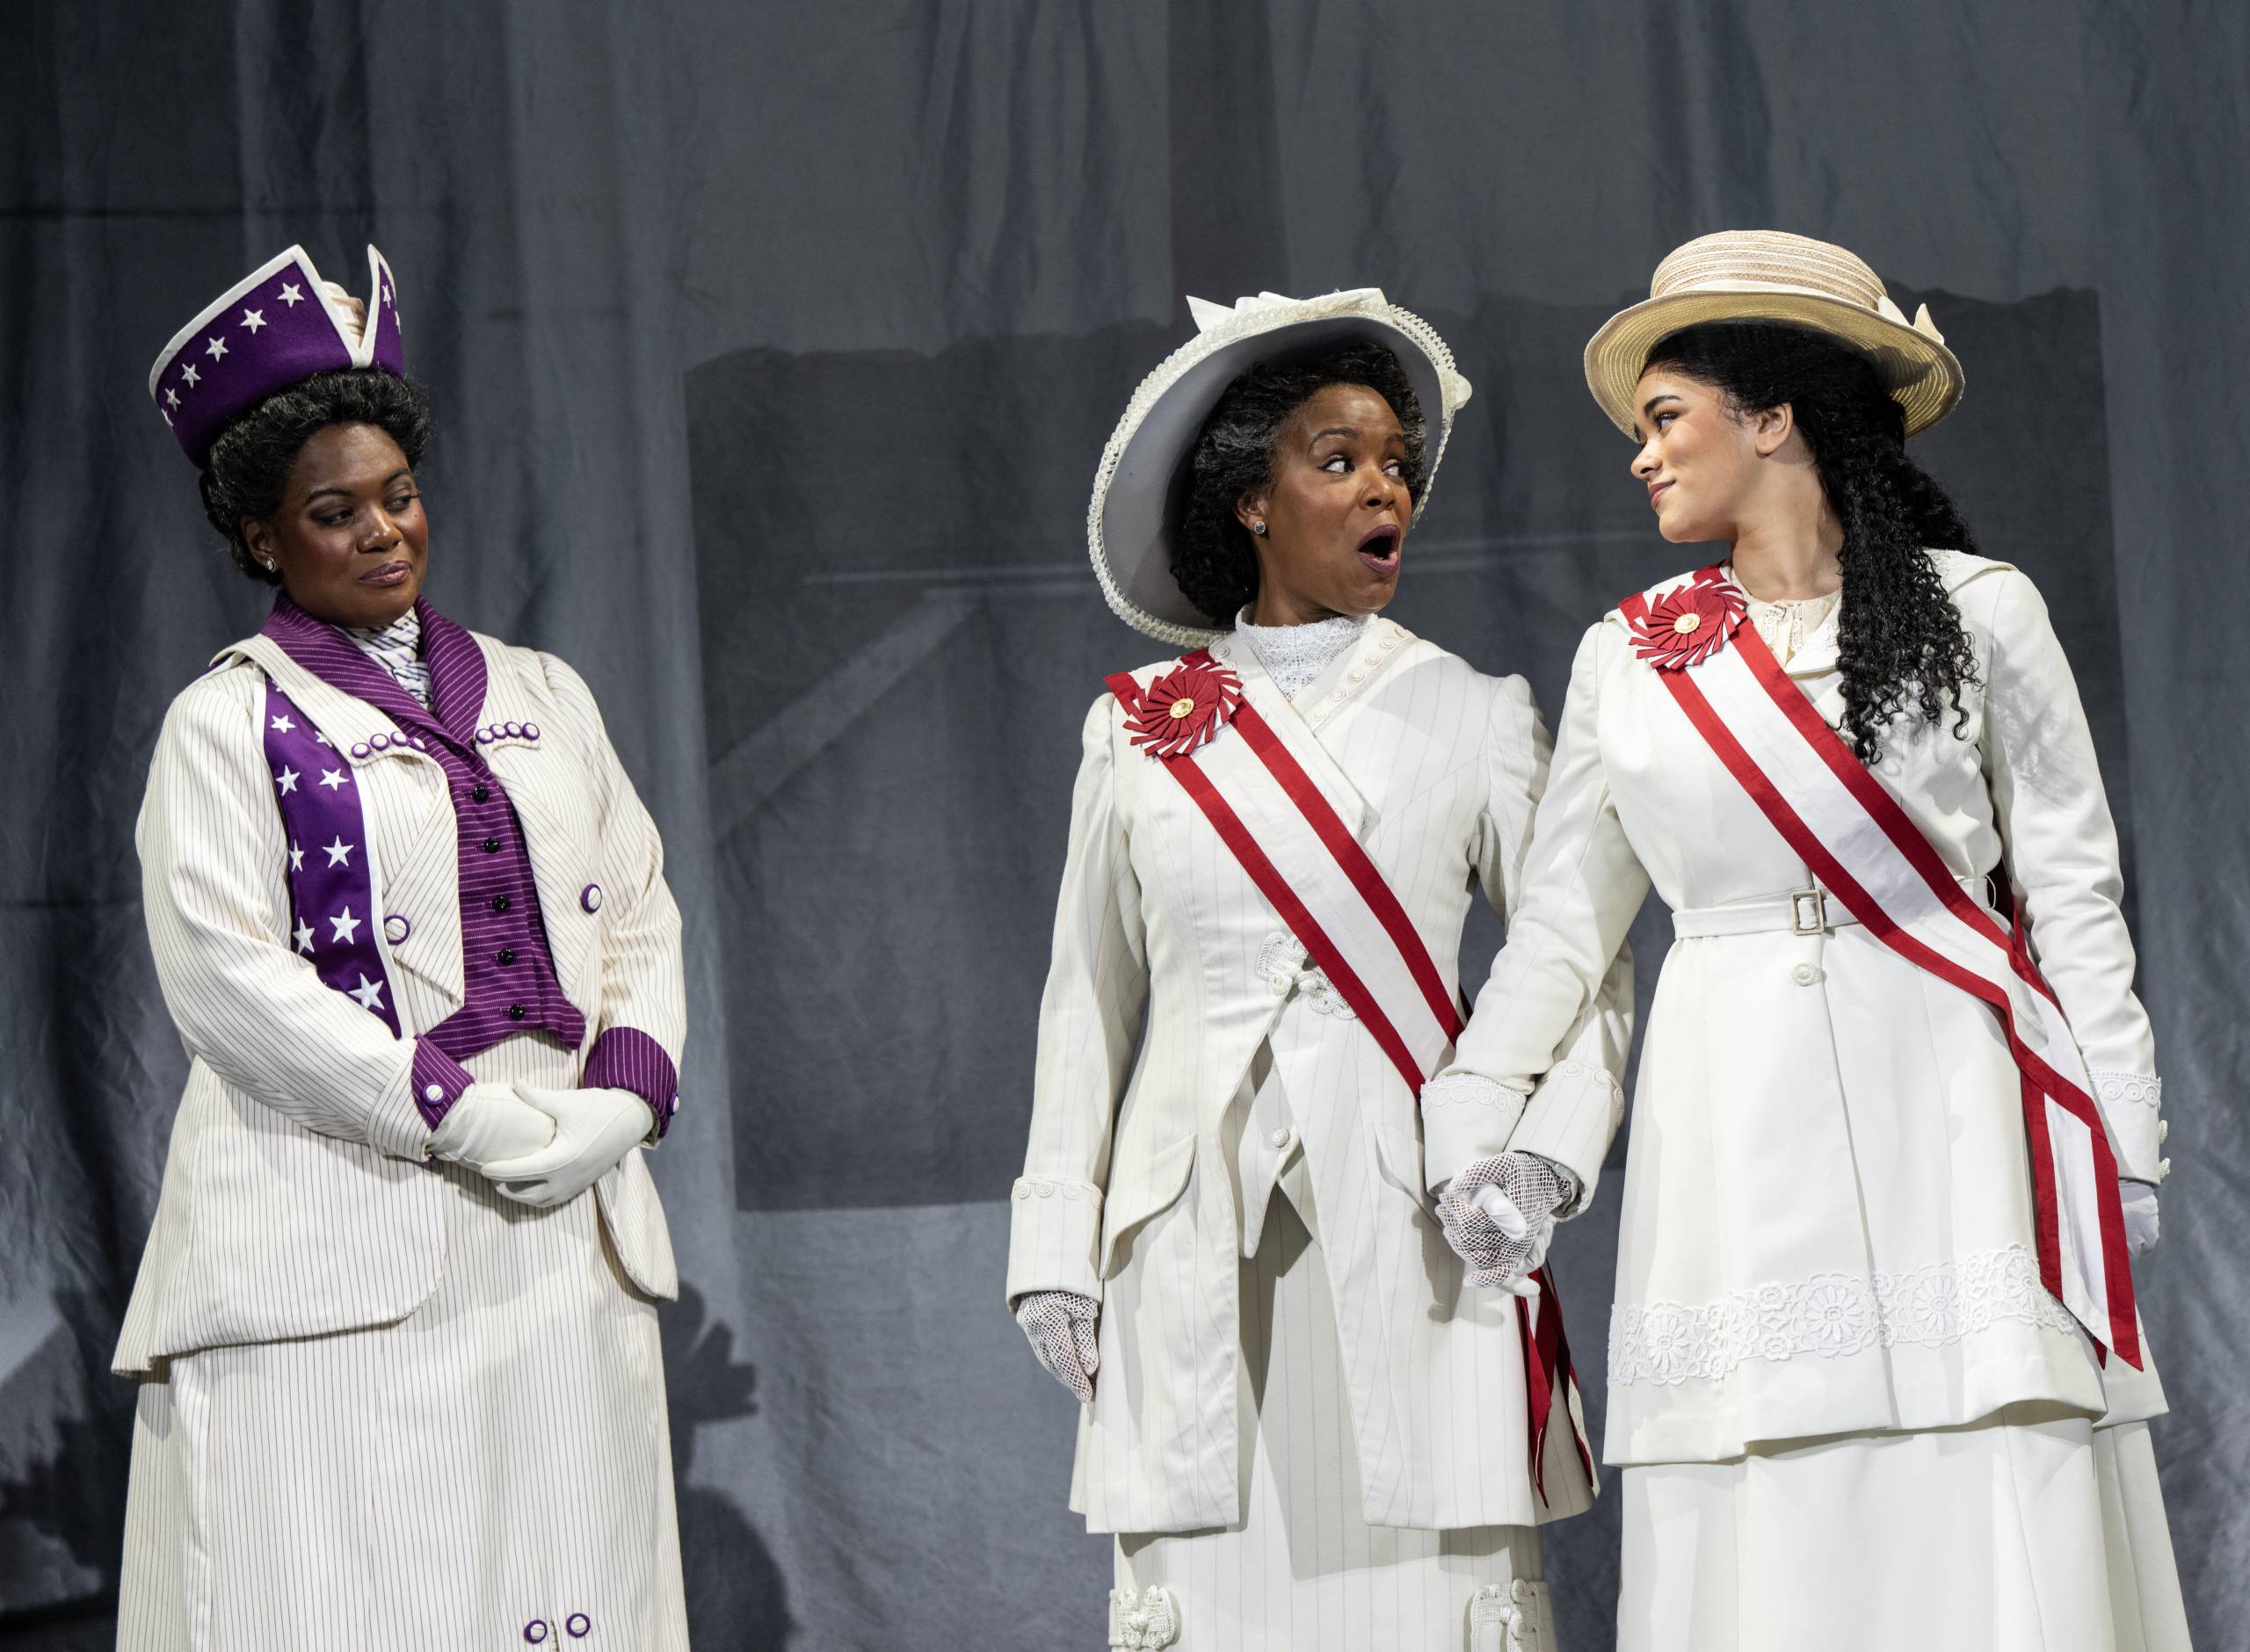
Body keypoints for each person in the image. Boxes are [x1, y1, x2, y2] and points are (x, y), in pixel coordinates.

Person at [1423, 230, 2189, 1652]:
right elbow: (1557, 939)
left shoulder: (1982, 611)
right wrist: (1470, 1124)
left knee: (1988, 1456)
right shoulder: (1628, 654)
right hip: (1733, 1119)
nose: (1642, 457)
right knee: (1766, 1491)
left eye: (1668, 420)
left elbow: (2076, 899)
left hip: (1961, 1105)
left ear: (1772, 418)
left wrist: (2122, 1144)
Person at [1007, 288, 1631, 1651]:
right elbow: (1086, 1006)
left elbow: (1578, 973)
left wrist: (1538, 1161)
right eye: (1337, 458)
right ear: (1249, 500)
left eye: (1396, 462)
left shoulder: (1477, 716)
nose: (1380, 486)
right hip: (1186, 1245)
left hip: (1420, 1235)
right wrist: (1054, 1244)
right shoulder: (1137, 735)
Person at [116, 243, 690, 1649]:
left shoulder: (547, 693)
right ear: (262, 537)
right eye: (334, 512)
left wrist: (624, 1094)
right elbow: (225, 975)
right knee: (351, 1596)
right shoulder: (229, 724)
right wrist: (449, 1111)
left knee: (564, 1589)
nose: (384, 533)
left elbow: (641, 904)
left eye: (399, 495)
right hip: (334, 1236)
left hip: (561, 1223)